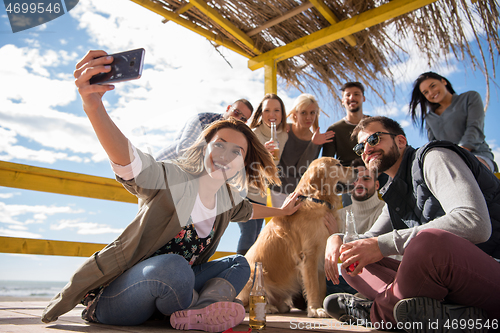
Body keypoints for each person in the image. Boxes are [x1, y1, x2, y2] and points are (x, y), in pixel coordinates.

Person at [41, 50, 302, 332]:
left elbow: (250, 210)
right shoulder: (173, 178)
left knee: (239, 263)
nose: (226, 155)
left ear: (242, 162)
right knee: (174, 267)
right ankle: (198, 305)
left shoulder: (226, 199)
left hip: (173, 289)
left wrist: (283, 211)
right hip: (120, 298)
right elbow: (131, 163)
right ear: (205, 147)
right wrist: (93, 106)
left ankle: (202, 310)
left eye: (237, 151)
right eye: (220, 144)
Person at [322, 116, 500, 331]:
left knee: (427, 243)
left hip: (489, 273)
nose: (367, 149)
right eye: (360, 147)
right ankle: (442, 314)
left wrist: (382, 245)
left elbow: (474, 222)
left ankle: (376, 313)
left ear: (400, 141)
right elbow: (368, 240)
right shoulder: (394, 194)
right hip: (448, 285)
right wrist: (337, 239)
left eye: (374, 139)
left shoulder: (434, 157)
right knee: (353, 259)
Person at [409, 71, 497, 172]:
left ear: (443, 81)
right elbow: (435, 145)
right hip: (449, 163)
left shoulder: (470, 98)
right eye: (426, 92)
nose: (431, 93)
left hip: (478, 155)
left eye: (433, 86)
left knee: (468, 170)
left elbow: (474, 128)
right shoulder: (429, 118)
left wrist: (459, 154)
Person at [323, 159, 385, 296]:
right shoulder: (338, 215)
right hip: (346, 278)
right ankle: (355, 301)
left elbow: (373, 248)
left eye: (366, 179)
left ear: (376, 185)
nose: (360, 183)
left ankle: (359, 300)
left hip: (374, 276)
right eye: (356, 179)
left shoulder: (385, 211)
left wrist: (335, 236)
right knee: (314, 283)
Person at [237, 94, 288, 255]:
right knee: (249, 233)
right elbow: (239, 164)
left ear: (282, 113)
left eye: (276, 110)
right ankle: (240, 273)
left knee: (256, 237)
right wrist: (259, 153)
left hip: (260, 196)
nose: (272, 115)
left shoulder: (284, 136)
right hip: (244, 193)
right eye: (267, 110)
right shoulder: (252, 134)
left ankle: (251, 273)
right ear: (260, 113)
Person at [270, 93, 334, 207]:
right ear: (295, 114)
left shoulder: (316, 140)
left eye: (312, 113)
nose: (309, 117)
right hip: (277, 190)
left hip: (299, 193)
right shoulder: (284, 130)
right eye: (303, 113)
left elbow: (301, 169)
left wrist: (314, 145)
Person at [322, 82, 372, 206]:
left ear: (363, 98)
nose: (352, 98)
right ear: (342, 100)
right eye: (348, 95)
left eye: (356, 94)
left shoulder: (375, 124)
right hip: (348, 182)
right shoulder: (334, 130)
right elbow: (327, 163)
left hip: (375, 175)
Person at [155, 98, 253, 161]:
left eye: (243, 118)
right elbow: (184, 149)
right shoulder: (203, 119)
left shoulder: (232, 138)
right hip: (162, 167)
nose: (237, 118)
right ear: (228, 108)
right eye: (236, 112)